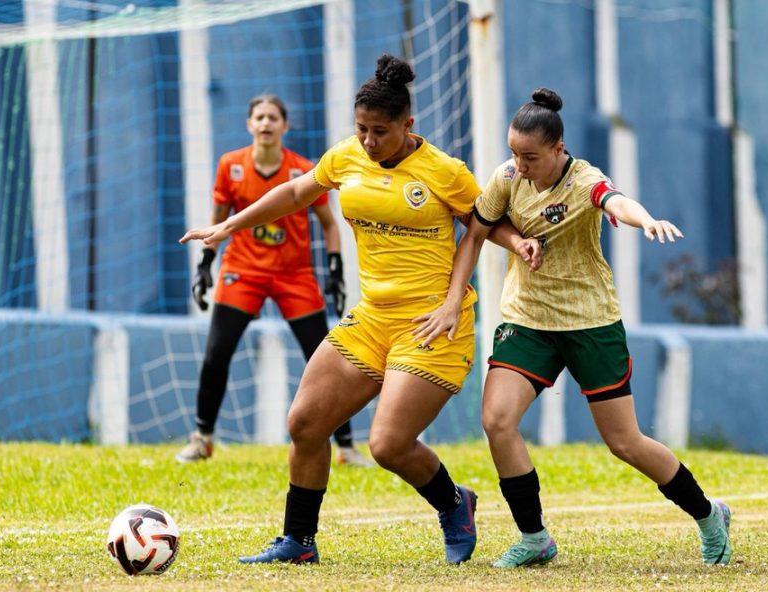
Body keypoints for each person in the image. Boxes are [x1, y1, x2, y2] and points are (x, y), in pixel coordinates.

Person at [181, 54, 535, 565]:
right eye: (362, 130)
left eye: (380, 132)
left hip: (432, 323)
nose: (369, 142)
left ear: (408, 126)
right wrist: (228, 227)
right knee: (304, 422)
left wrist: (518, 243)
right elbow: (297, 191)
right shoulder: (347, 156)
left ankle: (455, 503)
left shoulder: (444, 171)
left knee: (387, 444)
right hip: (372, 318)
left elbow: (482, 222)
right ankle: (298, 541)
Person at [450, 87, 733, 568]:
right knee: (497, 421)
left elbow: (616, 201)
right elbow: (478, 229)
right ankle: (535, 537)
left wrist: (646, 220)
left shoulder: (584, 181)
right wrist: (511, 248)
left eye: (530, 157)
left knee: (625, 443)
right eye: (514, 153)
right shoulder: (506, 175)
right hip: (528, 319)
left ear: (559, 149)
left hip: (590, 322)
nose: (519, 165)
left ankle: (710, 516)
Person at [176, 94, 373, 468]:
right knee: (217, 351)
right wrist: (206, 263)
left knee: (325, 357)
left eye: (273, 118)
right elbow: (219, 218)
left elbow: (329, 224)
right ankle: (202, 438)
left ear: (285, 126)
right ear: (249, 124)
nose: (266, 124)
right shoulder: (230, 166)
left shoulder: (303, 169)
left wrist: (334, 267)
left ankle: (346, 446)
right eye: (259, 117)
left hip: (294, 274)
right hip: (243, 269)